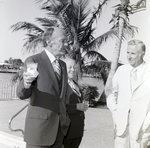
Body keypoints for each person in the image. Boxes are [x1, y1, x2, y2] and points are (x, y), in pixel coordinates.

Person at [16, 27, 72, 148]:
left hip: (59, 132)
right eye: (63, 40)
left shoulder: (63, 65)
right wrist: (26, 83)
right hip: (39, 133)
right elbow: (21, 94)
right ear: (49, 42)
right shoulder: (33, 61)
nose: (66, 44)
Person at [107, 39, 150, 148]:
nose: (129, 56)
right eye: (127, 52)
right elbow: (110, 92)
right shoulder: (121, 70)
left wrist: (147, 124)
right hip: (121, 128)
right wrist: (115, 111)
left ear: (142, 54)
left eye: (133, 53)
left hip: (142, 129)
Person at [61, 57, 89, 148]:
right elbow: (57, 106)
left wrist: (83, 106)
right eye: (69, 67)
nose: (72, 70)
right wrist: (75, 107)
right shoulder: (60, 85)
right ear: (63, 68)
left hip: (77, 130)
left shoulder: (75, 84)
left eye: (74, 67)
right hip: (67, 131)